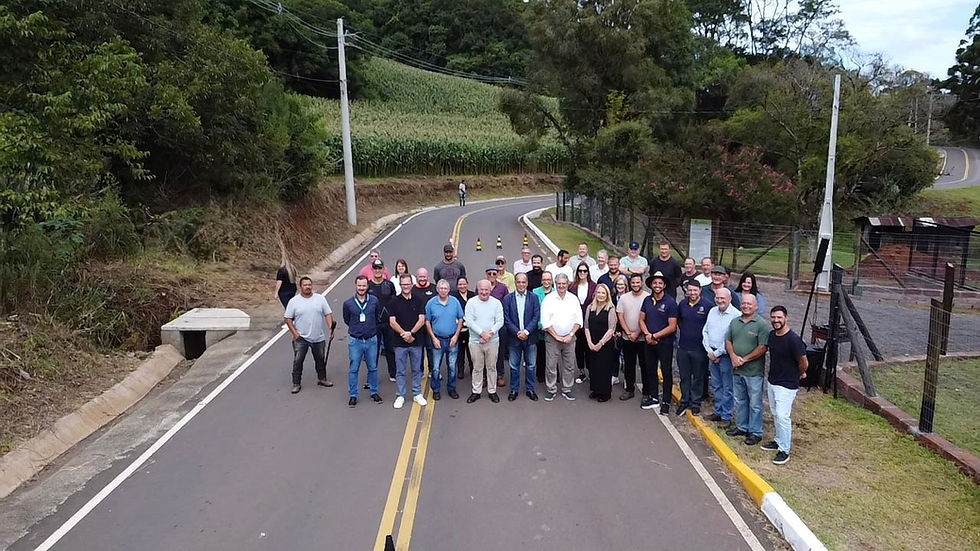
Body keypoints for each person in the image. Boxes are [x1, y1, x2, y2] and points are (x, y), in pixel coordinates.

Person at [762, 306, 808, 465]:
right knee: (775, 413)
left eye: (779, 317)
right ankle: (778, 440)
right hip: (773, 381)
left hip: (787, 385)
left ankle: (784, 450)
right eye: (773, 317)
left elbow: (803, 362)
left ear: (786, 318)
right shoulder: (772, 335)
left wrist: (800, 373)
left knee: (782, 416)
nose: (776, 320)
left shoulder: (794, 340)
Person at [724, 294, 771, 446]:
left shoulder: (761, 324)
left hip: (753, 372)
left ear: (756, 306)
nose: (746, 306)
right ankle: (742, 427)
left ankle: (755, 432)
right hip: (737, 370)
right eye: (743, 303)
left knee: (755, 404)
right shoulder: (735, 321)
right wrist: (733, 356)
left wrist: (744, 360)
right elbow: (728, 340)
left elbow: (762, 347)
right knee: (740, 400)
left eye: (749, 304)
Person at [283, 276, 335, 394]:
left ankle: (322, 379)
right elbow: (287, 319)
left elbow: (328, 314)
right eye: (305, 285)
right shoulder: (294, 301)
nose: (308, 287)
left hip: (318, 337)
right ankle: (296, 383)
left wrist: (331, 328)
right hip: (301, 338)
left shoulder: (320, 299)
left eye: (309, 285)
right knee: (298, 361)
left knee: (320, 359)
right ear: (300, 287)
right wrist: (295, 333)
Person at [639, 271, 678, 414]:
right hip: (649, 341)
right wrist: (647, 335)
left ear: (664, 285)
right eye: (655, 283)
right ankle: (654, 397)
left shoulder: (670, 302)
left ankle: (666, 401)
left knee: (666, 371)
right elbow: (641, 319)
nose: (657, 285)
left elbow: (672, 326)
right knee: (650, 369)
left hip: (664, 343)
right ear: (651, 285)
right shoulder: (647, 300)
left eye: (660, 283)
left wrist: (655, 336)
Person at [540, 273, 583, 401]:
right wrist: (556, 336)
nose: (561, 286)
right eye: (559, 283)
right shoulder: (548, 299)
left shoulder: (573, 299)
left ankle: (567, 389)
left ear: (568, 284)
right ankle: (551, 389)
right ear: (555, 284)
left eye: (564, 283)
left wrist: (570, 334)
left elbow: (579, 320)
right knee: (551, 365)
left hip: (570, 338)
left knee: (569, 365)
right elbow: (545, 321)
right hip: (552, 338)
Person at [388, 274, 427, 410]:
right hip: (400, 342)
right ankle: (400, 395)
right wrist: (404, 334)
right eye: (403, 284)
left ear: (412, 284)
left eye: (408, 284)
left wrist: (411, 333)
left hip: (416, 341)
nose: (406, 286)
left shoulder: (419, 300)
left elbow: (422, 319)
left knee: (417, 370)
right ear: (400, 285)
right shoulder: (393, 301)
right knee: (400, 371)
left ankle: (417, 393)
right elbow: (392, 322)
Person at [702, 287, 739, 427]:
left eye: (722, 298)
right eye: (717, 297)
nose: (719, 300)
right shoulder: (712, 311)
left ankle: (726, 416)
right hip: (711, 354)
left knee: (727, 387)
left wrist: (717, 353)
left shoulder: (736, 315)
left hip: (725, 356)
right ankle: (718, 411)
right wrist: (709, 351)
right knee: (717, 385)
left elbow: (732, 339)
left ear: (730, 299)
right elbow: (705, 331)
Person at [343, 276, 382, 407]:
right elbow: (347, 319)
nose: (361, 288)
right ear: (355, 286)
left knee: (373, 367)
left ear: (367, 286)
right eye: (359, 285)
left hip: (371, 340)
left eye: (364, 286)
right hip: (356, 341)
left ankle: (374, 392)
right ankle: (353, 395)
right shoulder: (348, 303)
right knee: (354, 369)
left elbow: (377, 316)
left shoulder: (374, 301)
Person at [464, 279, 504, 403]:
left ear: (490, 290)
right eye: (482, 290)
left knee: (492, 367)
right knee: (477, 367)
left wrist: (489, 334)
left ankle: (492, 391)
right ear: (478, 290)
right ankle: (476, 391)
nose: (484, 292)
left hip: (492, 342)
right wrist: (482, 333)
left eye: (487, 290)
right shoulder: (471, 302)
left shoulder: (496, 303)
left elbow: (500, 321)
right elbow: (469, 321)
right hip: (476, 342)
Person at [503, 273, 540, 401]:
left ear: (527, 283)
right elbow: (506, 318)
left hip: (530, 337)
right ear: (515, 283)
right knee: (514, 365)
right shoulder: (507, 298)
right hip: (514, 338)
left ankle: (530, 389)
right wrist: (518, 332)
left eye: (523, 282)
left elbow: (536, 316)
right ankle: (514, 389)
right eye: (518, 282)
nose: (521, 284)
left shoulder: (533, 297)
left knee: (531, 365)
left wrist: (527, 332)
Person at [676, 280, 712, 416]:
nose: (692, 293)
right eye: (690, 290)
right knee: (684, 376)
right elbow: (679, 320)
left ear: (700, 290)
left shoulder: (708, 306)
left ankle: (695, 403)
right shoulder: (682, 304)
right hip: (683, 346)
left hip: (700, 348)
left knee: (698, 377)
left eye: (695, 290)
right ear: (686, 290)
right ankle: (684, 401)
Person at [425, 279, 464, 401]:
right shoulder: (431, 303)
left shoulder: (455, 302)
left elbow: (461, 319)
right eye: (441, 288)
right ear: (437, 289)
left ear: (449, 290)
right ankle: (436, 390)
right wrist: (433, 338)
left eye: (445, 288)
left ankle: (451, 388)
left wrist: (456, 336)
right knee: (436, 368)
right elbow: (427, 322)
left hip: (452, 339)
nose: (443, 291)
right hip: (438, 339)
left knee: (452, 366)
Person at [616, 273, 648, 401]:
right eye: (633, 282)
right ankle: (629, 389)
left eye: (637, 282)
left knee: (645, 365)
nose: (635, 284)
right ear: (630, 283)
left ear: (642, 283)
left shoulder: (647, 297)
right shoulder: (624, 298)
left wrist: (637, 333)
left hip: (643, 338)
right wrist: (629, 333)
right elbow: (620, 316)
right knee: (629, 365)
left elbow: (647, 317)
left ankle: (646, 392)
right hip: (627, 338)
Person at [585, 283, 617, 402]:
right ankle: (595, 390)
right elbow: (586, 326)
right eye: (599, 292)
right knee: (593, 367)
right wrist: (589, 342)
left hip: (605, 344)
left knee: (603, 368)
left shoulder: (611, 308)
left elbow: (611, 329)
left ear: (607, 295)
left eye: (603, 293)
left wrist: (600, 343)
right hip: (591, 342)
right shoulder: (590, 307)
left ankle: (605, 393)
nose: (601, 295)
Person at [367, 260, 397, 383]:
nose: (377, 270)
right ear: (372, 269)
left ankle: (393, 373)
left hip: (388, 323)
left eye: (379, 268)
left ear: (383, 269)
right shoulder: (368, 285)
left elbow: (394, 302)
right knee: (373, 351)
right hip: (374, 323)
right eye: (375, 268)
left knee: (390, 349)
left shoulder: (389, 285)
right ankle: (371, 376)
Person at [570, 262, 596, 384]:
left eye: (584, 271)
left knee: (589, 347)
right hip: (576, 322)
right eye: (580, 271)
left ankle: (591, 371)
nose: (582, 273)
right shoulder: (572, 287)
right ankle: (581, 372)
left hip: (590, 322)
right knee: (579, 348)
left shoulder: (594, 286)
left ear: (588, 272)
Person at [485, 264, 509, 387]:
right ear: (486, 275)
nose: (492, 275)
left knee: (499, 351)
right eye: (489, 273)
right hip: (485, 324)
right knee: (485, 351)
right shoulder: (482, 286)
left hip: (499, 324)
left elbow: (506, 305)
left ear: (497, 275)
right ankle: (485, 376)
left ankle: (499, 375)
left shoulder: (503, 288)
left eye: (494, 273)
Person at [532, 271, 554, 384]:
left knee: (553, 354)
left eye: (548, 280)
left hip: (553, 328)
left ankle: (553, 374)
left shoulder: (556, 292)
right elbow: (534, 311)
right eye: (544, 279)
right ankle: (540, 374)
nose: (546, 282)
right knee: (541, 352)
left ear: (552, 281)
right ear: (541, 281)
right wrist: (541, 325)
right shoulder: (535, 292)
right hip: (540, 327)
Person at [451, 277, 475, 381]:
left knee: (471, 351)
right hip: (458, 328)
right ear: (457, 286)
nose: (462, 286)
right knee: (459, 351)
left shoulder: (473, 295)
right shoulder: (453, 296)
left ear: (467, 284)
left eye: (464, 284)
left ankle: (472, 369)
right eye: (460, 284)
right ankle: (460, 370)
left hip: (471, 328)